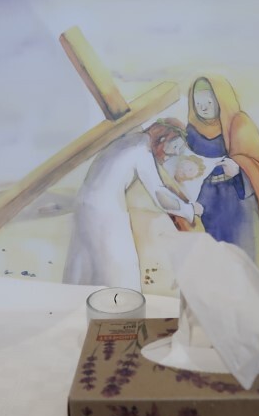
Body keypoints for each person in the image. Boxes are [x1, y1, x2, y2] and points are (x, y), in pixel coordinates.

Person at [62, 119, 203, 289]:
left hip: (85, 205)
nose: (175, 153)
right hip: (106, 212)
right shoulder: (141, 150)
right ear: (164, 137)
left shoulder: (128, 141)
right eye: (175, 146)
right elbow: (160, 195)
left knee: (84, 262)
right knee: (120, 269)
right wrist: (189, 209)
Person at [186, 75, 259, 269]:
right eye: (198, 103)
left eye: (209, 102)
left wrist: (239, 167)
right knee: (212, 262)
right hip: (206, 203)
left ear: (221, 100)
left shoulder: (239, 123)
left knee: (242, 260)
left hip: (237, 202)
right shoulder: (191, 131)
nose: (203, 107)